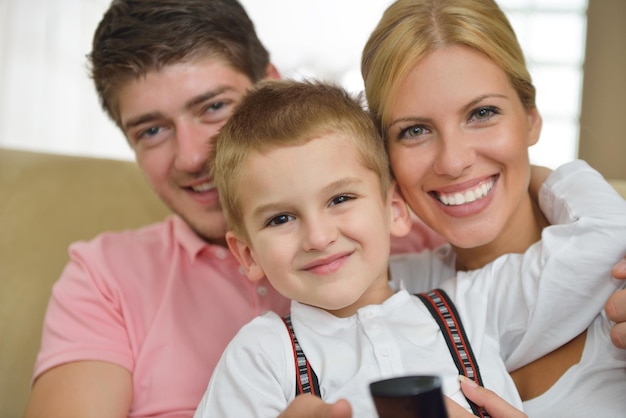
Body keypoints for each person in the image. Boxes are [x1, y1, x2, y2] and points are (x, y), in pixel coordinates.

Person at [22, 1, 442, 417]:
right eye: (152, 130)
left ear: (271, 86)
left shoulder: (405, 239)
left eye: (214, 107)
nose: (191, 156)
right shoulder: (105, 278)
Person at [192, 79, 626, 417]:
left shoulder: (474, 305)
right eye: (281, 219)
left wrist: (527, 168)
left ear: (395, 210)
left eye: (340, 199)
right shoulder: (261, 356)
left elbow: (607, 236)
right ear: (247, 255)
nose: (319, 237)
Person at [360, 0, 626, 415]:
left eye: (482, 113)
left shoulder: (618, 277)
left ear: (531, 117)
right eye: (414, 130)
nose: (453, 161)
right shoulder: (389, 299)